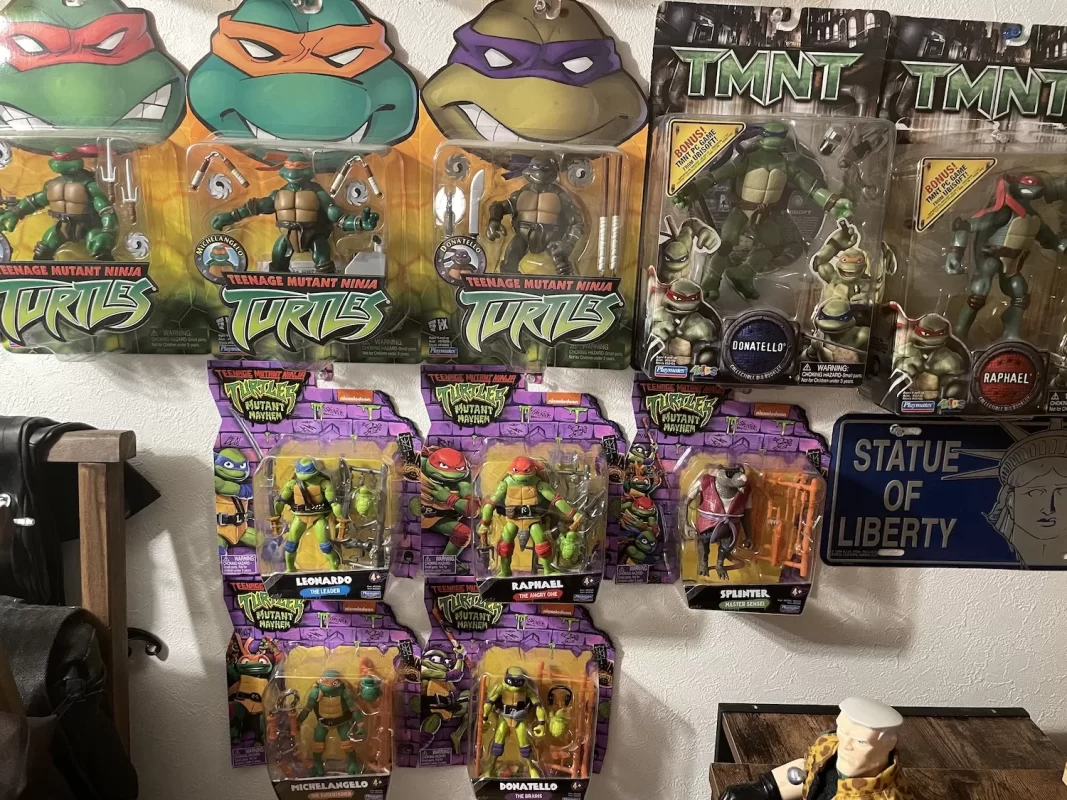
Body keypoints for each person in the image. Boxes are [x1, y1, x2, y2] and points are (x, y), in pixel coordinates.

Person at [719, 697, 909, 800]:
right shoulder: (830, 744)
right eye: (842, 731)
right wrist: (765, 788)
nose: (845, 745)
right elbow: (807, 769)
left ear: (888, 743)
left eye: (861, 742)